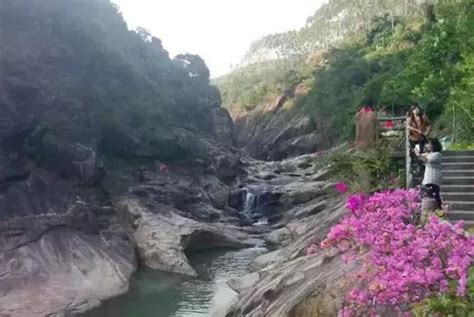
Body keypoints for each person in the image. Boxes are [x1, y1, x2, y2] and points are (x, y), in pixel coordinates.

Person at [415, 138, 443, 210]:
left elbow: (429, 160)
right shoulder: (430, 154)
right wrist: (418, 153)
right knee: (429, 195)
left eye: (429, 144)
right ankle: (436, 209)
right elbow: (423, 157)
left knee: (435, 195)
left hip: (434, 178)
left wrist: (420, 155)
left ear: (434, 145)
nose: (428, 146)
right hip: (428, 178)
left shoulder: (437, 154)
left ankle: (440, 209)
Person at [407, 104, 432, 177]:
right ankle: (417, 166)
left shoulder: (423, 117)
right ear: (412, 111)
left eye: (417, 109)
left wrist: (426, 132)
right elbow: (408, 127)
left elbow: (429, 125)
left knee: (421, 151)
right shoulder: (410, 119)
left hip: (421, 138)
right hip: (413, 138)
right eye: (414, 109)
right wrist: (416, 130)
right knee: (415, 152)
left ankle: (421, 166)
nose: (416, 111)